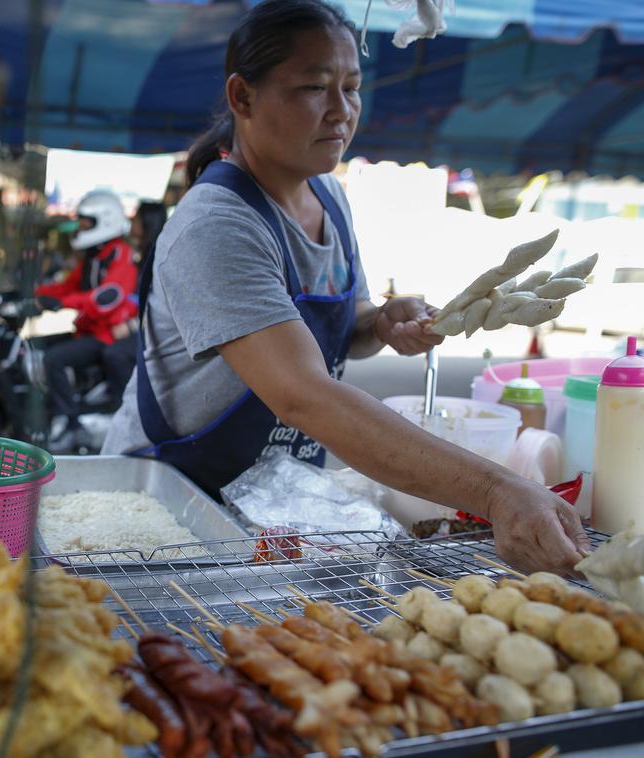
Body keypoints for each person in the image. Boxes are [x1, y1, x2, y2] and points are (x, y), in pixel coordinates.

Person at [102, 0, 588, 574]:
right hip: (168, 510)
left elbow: (348, 324)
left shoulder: (329, 198)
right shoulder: (217, 225)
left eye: (352, 88)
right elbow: (303, 393)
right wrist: (496, 491)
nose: (341, 112)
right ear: (243, 97)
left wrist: (379, 321)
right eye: (314, 87)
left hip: (263, 508)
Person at [36, 189, 138, 450]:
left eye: (85, 223)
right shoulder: (95, 257)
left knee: (54, 359)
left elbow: (106, 298)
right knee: (36, 346)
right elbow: (68, 286)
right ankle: (51, 414)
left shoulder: (121, 255)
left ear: (105, 221)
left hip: (104, 335)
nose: (80, 228)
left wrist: (62, 303)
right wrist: (33, 293)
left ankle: (71, 425)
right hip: (88, 331)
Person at [103, 201, 168, 405]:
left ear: (147, 222)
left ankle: (130, 406)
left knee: (115, 354)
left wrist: (129, 323)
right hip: (139, 323)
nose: (132, 222)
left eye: (136, 218)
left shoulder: (158, 253)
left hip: (155, 327)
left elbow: (153, 298)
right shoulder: (141, 253)